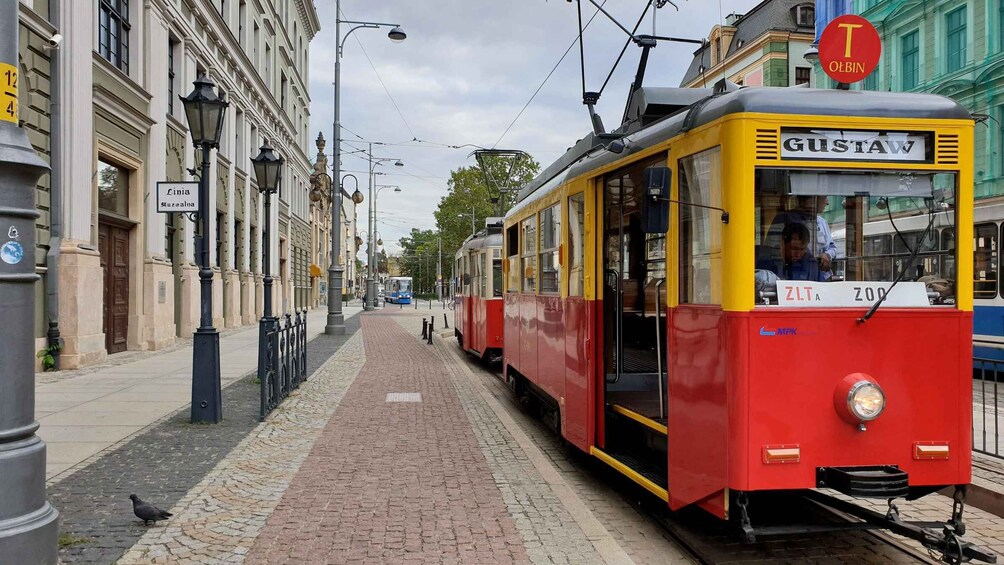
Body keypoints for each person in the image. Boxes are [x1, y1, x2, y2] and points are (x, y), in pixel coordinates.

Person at [767, 196, 837, 279]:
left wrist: (827, 255)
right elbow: (773, 249)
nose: (827, 202)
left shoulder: (822, 222)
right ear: (812, 199)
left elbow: (832, 247)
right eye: (824, 197)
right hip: (789, 274)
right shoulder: (784, 218)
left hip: (819, 275)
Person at [756, 223, 826, 282]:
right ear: (782, 243)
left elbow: (822, 289)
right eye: (794, 248)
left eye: (802, 249)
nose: (798, 254)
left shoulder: (811, 265)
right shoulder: (765, 261)